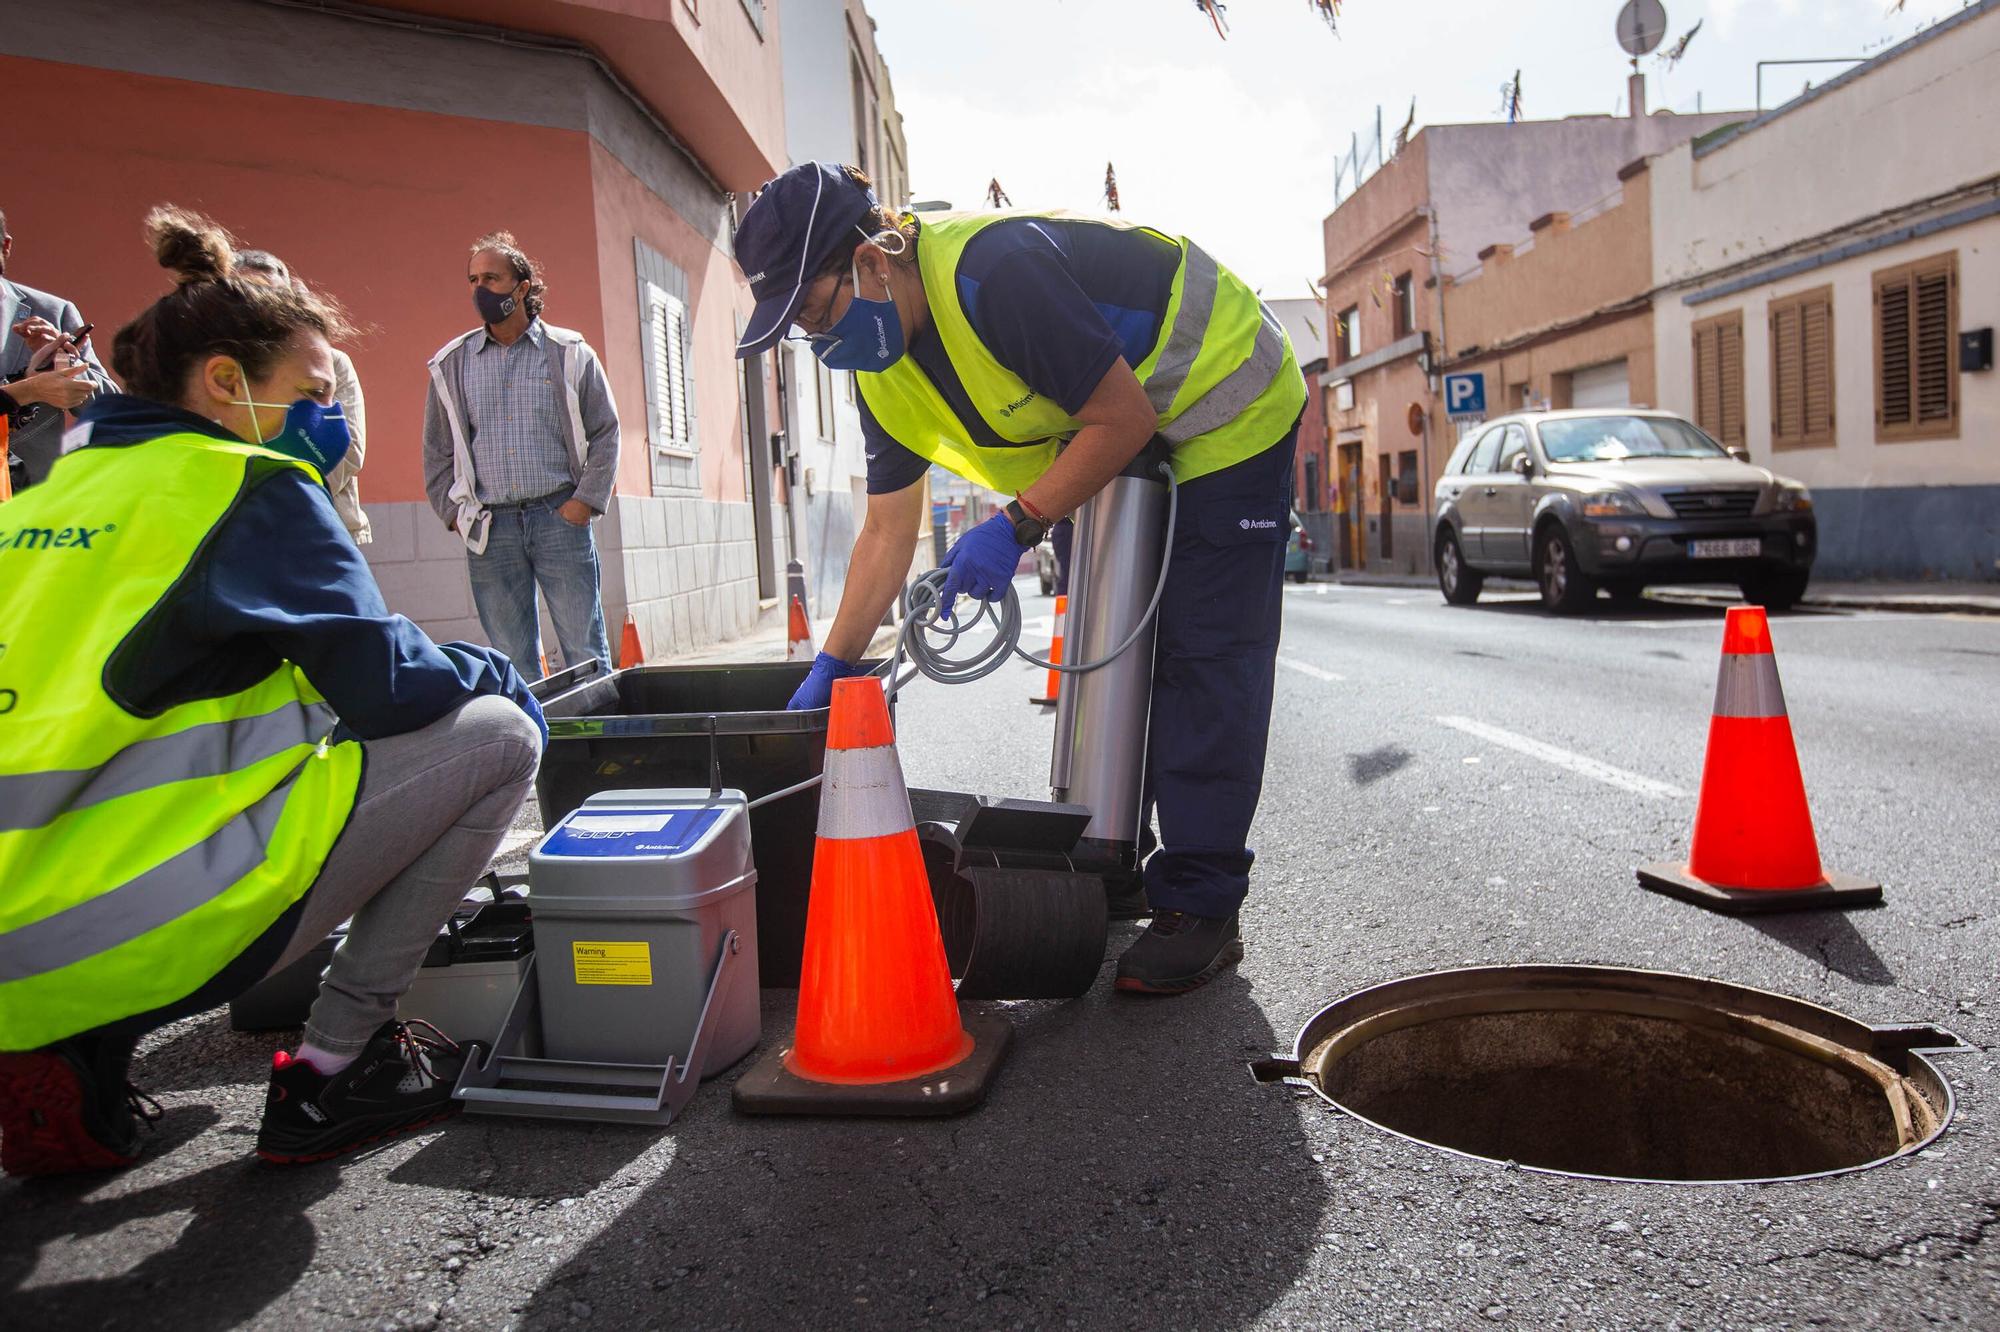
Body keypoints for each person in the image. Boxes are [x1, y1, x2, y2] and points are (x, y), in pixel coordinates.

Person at [0, 207, 548, 1178]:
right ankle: (334, 1067)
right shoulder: (241, 484)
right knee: (499, 734)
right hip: (110, 924)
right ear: (223, 383)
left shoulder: (45, 500)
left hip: (21, 920)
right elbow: (388, 689)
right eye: (309, 390)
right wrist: (499, 671)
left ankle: (77, 1046)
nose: (325, 418)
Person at [732, 163, 1305, 996]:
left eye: (816, 313)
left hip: (1222, 400)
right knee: (1112, 645)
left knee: (1202, 653)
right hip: (1112, 445)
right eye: (801, 331)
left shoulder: (991, 275)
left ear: (869, 261)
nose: (819, 341)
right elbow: (889, 528)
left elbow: (1124, 417)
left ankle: (1203, 902)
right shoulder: (880, 372)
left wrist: (1018, 523)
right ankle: (1119, 860)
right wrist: (837, 665)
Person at [423, 231, 619, 677]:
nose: (480, 290)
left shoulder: (569, 353)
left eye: (491, 278)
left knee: (584, 646)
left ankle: (598, 740)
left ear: (523, 287)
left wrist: (584, 502)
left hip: (559, 517)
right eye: (473, 280)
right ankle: (537, 746)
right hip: (491, 529)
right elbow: (437, 449)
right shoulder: (452, 364)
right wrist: (453, 512)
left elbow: (606, 430)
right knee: (513, 657)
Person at [235, 248, 371, 543]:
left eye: (270, 295)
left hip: (321, 524)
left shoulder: (332, 364)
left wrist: (282, 498)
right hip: (238, 527)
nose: (259, 306)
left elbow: (349, 453)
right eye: (247, 295)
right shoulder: (221, 373)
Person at [0, 204, 118, 486]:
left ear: (5, 247)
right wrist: (26, 389)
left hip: (33, 505)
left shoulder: (54, 311)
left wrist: (66, 364)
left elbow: (107, 406)